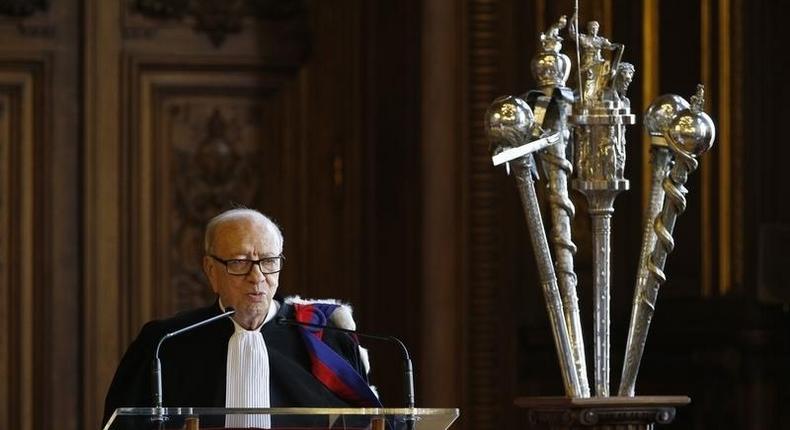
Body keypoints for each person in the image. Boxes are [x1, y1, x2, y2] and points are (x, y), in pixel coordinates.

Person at [103, 208, 379, 427]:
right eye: (239, 262)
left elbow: (364, 422)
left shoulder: (326, 340)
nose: (257, 277)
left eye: (269, 261)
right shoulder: (164, 343)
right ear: (211, 270)